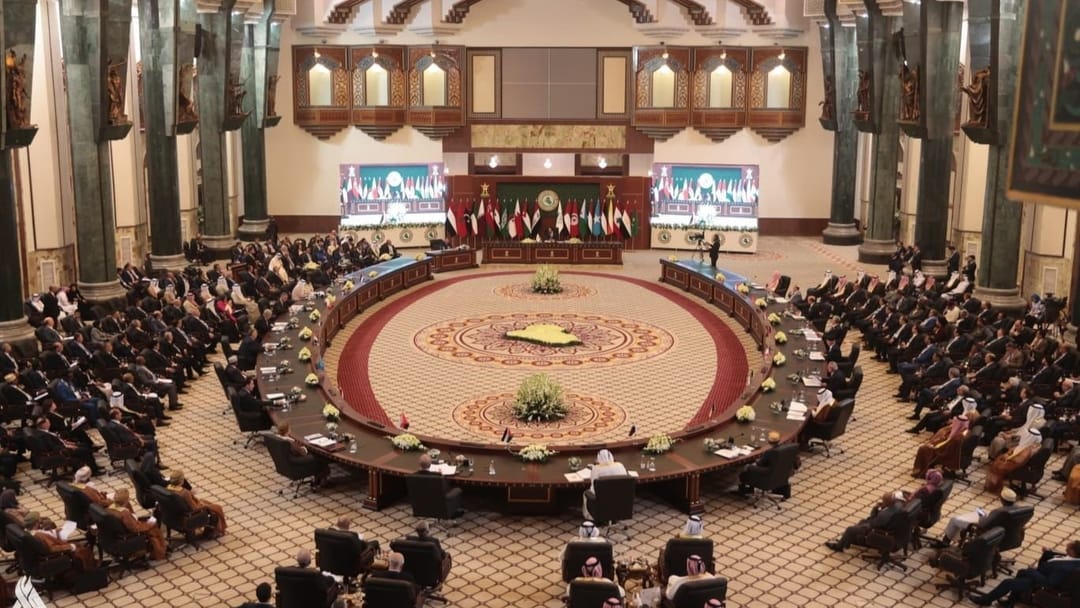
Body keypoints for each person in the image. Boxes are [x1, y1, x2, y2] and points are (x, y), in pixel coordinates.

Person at [969, 540, 1080, 606]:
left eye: (1068, 547)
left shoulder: (1064, 568)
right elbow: (1061, 558)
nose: (1066, 547)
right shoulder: (1075, 560)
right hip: (1043, 573)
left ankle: (986, 600)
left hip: (1040, 583)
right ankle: (1011, 600)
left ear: (1073, 552)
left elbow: (1049, 583)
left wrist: (1032, 571)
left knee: (1008, 582)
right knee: (1022, 572)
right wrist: (1048, 552)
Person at [824, 492, 904, 552]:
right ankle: (846, 542)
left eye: (883, 501)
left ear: (886, 502)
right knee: (862, 521)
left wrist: (875, 509)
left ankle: (839, 547)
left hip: (877, 530)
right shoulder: (898, 505)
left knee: (850, 529)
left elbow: (873, 522)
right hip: (891, 527)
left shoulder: (884, 515)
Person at [937, 488, 1018, 547]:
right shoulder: (1018, 510)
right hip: (1008, 536)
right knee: (981, 513)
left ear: (1002, 499)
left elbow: (983, 525)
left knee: (955, 520)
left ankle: (945, 542)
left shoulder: (998, 512)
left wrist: (982, 516)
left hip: (987, 532)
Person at [108, 489, 167, 560]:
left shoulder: (110, 508)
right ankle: (159, 553)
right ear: (126, 500)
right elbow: (134, 528)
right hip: (130, 534)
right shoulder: (124, 513)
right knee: (154, 530)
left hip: (119, 533)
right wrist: (148, 525)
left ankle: (160, 550)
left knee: (152, 526)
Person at [166, 470, 227, 537]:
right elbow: (194, 508)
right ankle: (217, 531)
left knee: (205, 501)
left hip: (174, 515)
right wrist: (204, 506)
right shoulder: (185, 492)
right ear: (182, 481)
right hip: (189, 515)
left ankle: (212, 530)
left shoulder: (168, 488)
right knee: (217, 508)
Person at [985, 428, 1044, 493]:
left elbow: (1018, 461)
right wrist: (1008, 453)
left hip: (1015, 465)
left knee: (996, 467)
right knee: (997, 461)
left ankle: (994, 487)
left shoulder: (1029, 450)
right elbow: (1016, 449)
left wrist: (1007, 459)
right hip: (1013, 461)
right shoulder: (1031, 444)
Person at [737, 431, 791, 499]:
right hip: (779, 476)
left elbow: (760, 463)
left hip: (767, 478)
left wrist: (750, 466)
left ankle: (744, 491)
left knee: (746, 469)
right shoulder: (785, 449)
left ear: (769, 441)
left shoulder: (770, 452)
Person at [583, 449, 628, 519]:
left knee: (586, 493)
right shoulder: (620, 465)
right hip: (619, 499)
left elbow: (593, 484)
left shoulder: (596, 469)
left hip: (601, 501)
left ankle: (591, 517)